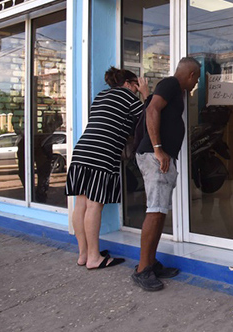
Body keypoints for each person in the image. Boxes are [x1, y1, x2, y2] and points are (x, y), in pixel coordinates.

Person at [66, 67, 149, 269]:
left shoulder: (101, 95)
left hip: (82, 151)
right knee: (95, 205)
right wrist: (146, 95)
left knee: (81, 204)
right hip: (101, 155)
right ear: (129, 84)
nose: (137, 91)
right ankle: (95, 258)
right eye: (136, 87)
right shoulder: (129, 98)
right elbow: (147, 118)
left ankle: (84, 254)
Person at [131, 57, 200, 291]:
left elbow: (151, 105)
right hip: (155, 155)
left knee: (159, 212)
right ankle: (142, 269)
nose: (196, 84)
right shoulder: (171, 84)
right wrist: (159, 149)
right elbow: (152, 110)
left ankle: (151, 263)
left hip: (160, 155)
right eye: (197, 79)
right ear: (191, 75)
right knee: (155, 211)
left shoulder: (172, 90)